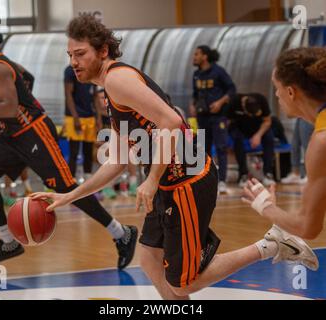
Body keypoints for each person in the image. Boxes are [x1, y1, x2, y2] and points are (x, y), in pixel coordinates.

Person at [32, 15, 318, 300]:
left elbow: (171, 121)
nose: (74, 62)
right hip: (170, 183)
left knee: (184, 283)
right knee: (149, 260)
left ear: (103, 51)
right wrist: (67, 197)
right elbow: (117, 161)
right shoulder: (110, 88)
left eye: (80, 53)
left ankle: (271, 245)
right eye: (70, 55)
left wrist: (152, 178)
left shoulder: (118, 79)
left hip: (188, 181)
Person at [0, 25, 137, 267]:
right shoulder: (1, 65)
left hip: (33, 133)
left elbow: (9, 108)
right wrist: (23, 97)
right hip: (12, 135)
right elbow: (27, 77)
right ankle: (7, 241)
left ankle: (121, 232)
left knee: (66, 189)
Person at [242, 47, 326, 240]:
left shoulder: (321, 142)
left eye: (276, 88)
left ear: (290, 92)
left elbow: (307, 227)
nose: (277, 96)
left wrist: (265, 206)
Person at [190, 45, 236, 194]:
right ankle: (205, 180)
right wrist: (193, 104)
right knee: (203, 149)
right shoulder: (196, 74)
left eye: (197, 54)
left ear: (205, 56)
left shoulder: (218, 71)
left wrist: (220, 102)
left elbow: (232, 89)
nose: (194, 57)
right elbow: (195, 94)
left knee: (221, 148)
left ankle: (222, 181)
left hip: (218, 117)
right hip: (202, 117)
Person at [228, 93, 276, 187]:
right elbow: (227, 121)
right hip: (240, 129)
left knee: (269, 138)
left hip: (258, 129)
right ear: (244, 108)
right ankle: (243, 175)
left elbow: (267, 121)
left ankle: (268, 174)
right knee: (237, 139)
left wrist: (258, 135)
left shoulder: (262, 99)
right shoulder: (234, 102)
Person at [64, 65, 96, 181]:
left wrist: (98, 119)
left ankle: (88, 181)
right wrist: (75, 117)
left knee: (88, 151)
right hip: (74, 117)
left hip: (90, 117)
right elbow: (68, 94)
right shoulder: (70, 70)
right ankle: (71, 183)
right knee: (74, 152)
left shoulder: (91, 69)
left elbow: (96, 95)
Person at [281, 118, 314, 185]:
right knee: (294, 144)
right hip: (300, 115)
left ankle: (310, 175)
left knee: (307, 146)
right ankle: (296, 173)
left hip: (308, 114)